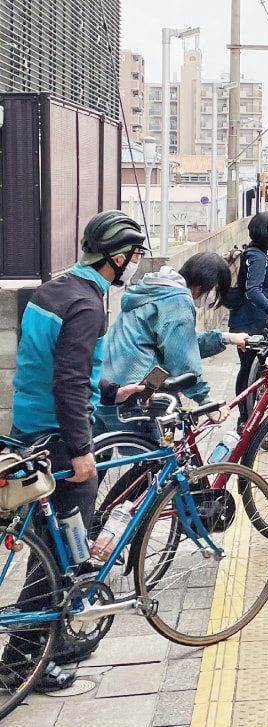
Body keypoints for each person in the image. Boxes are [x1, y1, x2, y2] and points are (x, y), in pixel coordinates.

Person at [3, 211, 149, 689]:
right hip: (59, 439)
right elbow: (67, 381)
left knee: (52, 544)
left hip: (29, 428)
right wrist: (82, 450)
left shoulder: (54, 289)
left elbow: (60, 367)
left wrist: (111, 392)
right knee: (61, 544)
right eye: (131, 257)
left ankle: (56, 638)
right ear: (119, 257)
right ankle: (23, 664)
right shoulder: (88, 304)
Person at [94, 254, 249, 435]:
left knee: (99, 458)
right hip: (135, 393)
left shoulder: (155, 290)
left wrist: (226, 338)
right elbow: (182, 359)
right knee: (162, 459)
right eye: (216, 291)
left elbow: (182, 341)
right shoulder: (177, 300)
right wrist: (206, 403)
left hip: (103, 388)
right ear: (211, 284)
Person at [229, 212, 268, 419]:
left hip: (247, 320)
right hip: (250, 322)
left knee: (250, 369)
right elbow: (253, 290)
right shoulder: (257, 257)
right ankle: (245, 418)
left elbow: (267, 290)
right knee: (248, 369)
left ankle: (247, 415)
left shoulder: (255, 253)